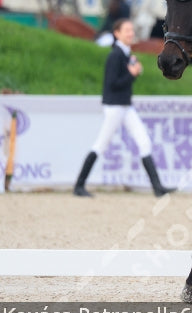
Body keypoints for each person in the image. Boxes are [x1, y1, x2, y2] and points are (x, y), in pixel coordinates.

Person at [74, 19, 175, 197]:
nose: (131, 33)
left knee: (144, 142)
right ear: (117, 33)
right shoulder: (115, 55)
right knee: (100, 145)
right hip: (114, 107)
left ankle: (157, 187)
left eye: (131, 30)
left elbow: (123, 81)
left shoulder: (125, 54)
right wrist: (131, 73)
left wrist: (131, 72)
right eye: (127, 30)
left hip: (125, 106)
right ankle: (79, 186)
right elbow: (112, 84)